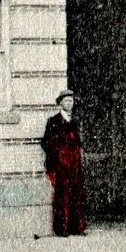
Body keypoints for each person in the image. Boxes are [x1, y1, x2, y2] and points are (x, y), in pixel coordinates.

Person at [40, 89, 86, 237]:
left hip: (74, 165)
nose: (69, 103)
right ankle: (62, 228)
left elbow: (79, 142)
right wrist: (57, 156)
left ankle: (76, 227)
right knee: (62, 196)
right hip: (61, 165)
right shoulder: (53, 121)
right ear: (60, 103)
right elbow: (46, 142)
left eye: (71, 101)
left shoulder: (75, 121)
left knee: (75, 195)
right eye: (66, 101)